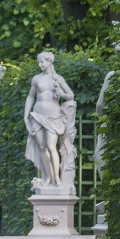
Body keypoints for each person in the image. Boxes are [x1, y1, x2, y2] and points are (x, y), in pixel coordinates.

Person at [23, 51, 76, 189]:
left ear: (49, 61)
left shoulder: (57, 79)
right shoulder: (36, 79)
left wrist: (62, 94)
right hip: (38, 115)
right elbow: (30, 97)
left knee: (51, 146)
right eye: (39, 62)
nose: (40, 64)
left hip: (53, 116)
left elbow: (70, 95)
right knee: (42, 147)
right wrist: (25, 116)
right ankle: (48, 177)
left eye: (42, 62)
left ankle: (57, 178)